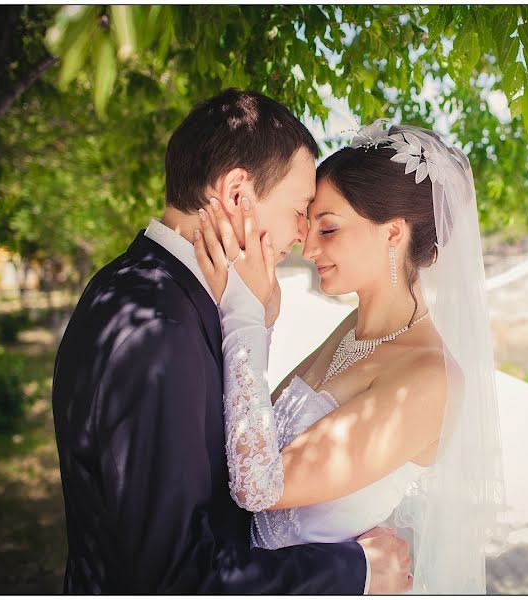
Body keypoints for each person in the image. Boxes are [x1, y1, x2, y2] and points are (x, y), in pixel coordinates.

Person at [51, 90, 411, 594]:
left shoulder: (137, 286)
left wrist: (253, 323)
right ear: (238, 193)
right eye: (300, 207)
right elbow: (177, 576)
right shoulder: (159, 329)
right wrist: (357, 569)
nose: (303, 235)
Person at [195, 120, 506, 593]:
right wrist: (268, 320)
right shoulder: (353, 330)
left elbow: (261, 484)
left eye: (329, 227)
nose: (307, 246)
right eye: (309, 224)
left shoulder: (428, 378)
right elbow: (255, 426)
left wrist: (248, 318)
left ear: (393, 233)